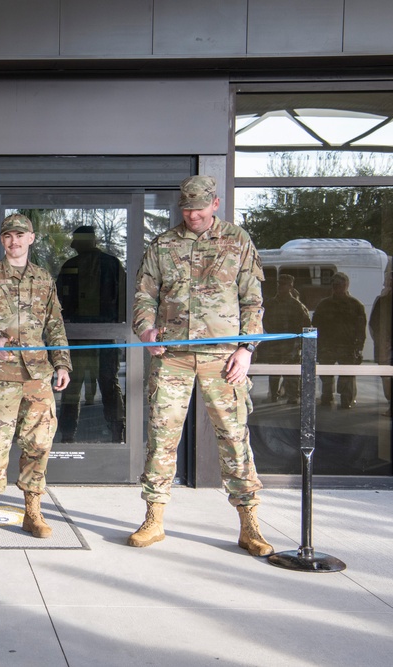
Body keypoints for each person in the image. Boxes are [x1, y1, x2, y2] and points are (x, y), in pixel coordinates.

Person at [130, 175, 273, 557]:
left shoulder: (237, 241)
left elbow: (252, 300)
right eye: (186, 208)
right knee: (162, 437)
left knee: (234, 437)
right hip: (173, 356)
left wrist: (246, 349)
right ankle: (154, 519)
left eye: (199, 207)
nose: (192, 215)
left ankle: (249, 524)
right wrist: (146, 329)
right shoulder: (163, 244)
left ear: (215, 204)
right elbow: (144, 295)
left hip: (223, 357)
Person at [0, 213, 72, 540]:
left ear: (31, 238)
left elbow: (54, 325)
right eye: (8, 236)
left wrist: (62, 363)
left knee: (39, 444)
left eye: (20, 236)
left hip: (38, 375)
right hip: (1, 375)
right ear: (2, 240)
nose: (14, 241)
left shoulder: (43, 279)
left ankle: (33, 513)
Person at [56, 225, 126, 442]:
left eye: (76, 241)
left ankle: (68, 437)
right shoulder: (111, 264)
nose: (73, 245)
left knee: (74, 387)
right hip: (99, 338)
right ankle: (117, 434)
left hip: (83, 339)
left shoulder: (74, 265)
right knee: (107, 385)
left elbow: (59, 304)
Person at [313, 272, 367, 409]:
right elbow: (315, 325)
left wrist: (359, 347)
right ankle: (326, 397)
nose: (337, 287)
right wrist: (317, 346)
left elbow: (361, 329)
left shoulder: (355, 305)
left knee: (347, 376)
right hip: (327, 346)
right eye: (334, 285)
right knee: (326, 376)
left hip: (347, 347)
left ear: (346, 285)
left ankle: (346, 400)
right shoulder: (323, 305)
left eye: (340, 284)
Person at [257, 273, 310, 404]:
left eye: (284, 284)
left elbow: (306, 325)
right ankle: (273, 395)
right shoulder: (270, 304)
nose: (281, 287)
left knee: (291, 372)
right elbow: (263, 321)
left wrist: (297, 342)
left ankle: (293, 396)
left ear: (290, 287)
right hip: (275, 343)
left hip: (291, 345)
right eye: (279, 284)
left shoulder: (297, 306)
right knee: (274, 371)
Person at [369, 264, 393, 415]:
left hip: (386, 346)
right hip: (386, 347)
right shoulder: (382, 301)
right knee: (387, 376)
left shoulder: (383, 300)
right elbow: (374, 324)